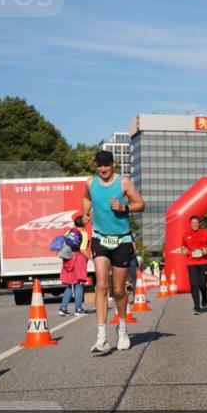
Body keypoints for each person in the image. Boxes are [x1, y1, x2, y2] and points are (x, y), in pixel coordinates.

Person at [83, 150, 145, 353]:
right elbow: (86, 198)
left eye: (106, 165)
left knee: (118, 290)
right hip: (100, 238)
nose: (103, 169)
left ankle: (123, 329)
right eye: (100, 165)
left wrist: (124, 207)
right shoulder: (91, 183)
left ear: (114, 163)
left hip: (122, 240)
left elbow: (140, 204)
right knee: (101, 284)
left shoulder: (124, 182)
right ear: (96, 166)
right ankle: (101, 336)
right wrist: (85, 213)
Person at [59, 214, 91, 316]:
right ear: (82, 223)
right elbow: (82, 249)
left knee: (69, 285)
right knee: (79, 284)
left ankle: (63, 308)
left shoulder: (68, 232)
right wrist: (91, 258)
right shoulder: (84, 234)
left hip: (68, 259)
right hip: (78, 259)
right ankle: (78, 309)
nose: (87, 220)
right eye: (85, 220)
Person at [182, 215, 207, 314]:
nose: (194, 224)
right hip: (191, 262)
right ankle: (197, 306)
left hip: (204, 262)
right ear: (190, 224)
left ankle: (205, 297)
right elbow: (183, 246)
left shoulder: (205, 233)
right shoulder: (186, 234)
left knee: (202, 285)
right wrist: (184, 250)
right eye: (192, 223)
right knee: (194, 284)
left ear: (199, 223)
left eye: (196, 223)